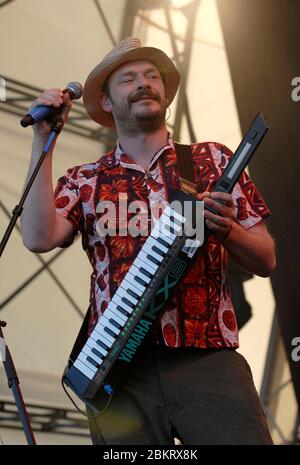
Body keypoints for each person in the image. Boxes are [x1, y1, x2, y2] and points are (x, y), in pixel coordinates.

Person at [21, 37, 276, 445]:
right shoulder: (86, 179)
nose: (143, 83)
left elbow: (266, 259)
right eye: (128, 79)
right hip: (118, 373)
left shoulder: (213, 160)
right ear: (106, 102)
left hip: (208, 360)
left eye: (151, 76)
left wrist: (227, 229)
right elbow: (37, 237)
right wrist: (42, 141)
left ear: (164, 92)